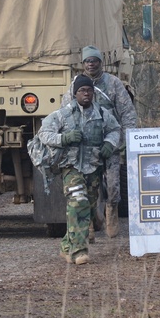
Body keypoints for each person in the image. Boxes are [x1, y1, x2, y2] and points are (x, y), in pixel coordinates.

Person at [39, 74, 121, 265]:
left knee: (89, 208)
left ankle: (66, 246)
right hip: (71, 167)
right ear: (75, 93)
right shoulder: (63, 114)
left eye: (89, 90)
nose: (86, 94)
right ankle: (79, 251)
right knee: (79, 203)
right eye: (82, 91)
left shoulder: (101, 113)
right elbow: (44, 133)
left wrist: (109, 143)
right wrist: (64, 138)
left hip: (93, 168)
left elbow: (115, 129)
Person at [62, 45, 137, 238]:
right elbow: (65, 114)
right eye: (87, 61)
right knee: (87, 187)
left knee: (112, 185)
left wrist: (126, 139)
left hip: (110, 142)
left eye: (94, 61)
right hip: (86, 146)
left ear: (100, 63)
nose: (91, 64)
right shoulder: (75, 85)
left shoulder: (113, 84)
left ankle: (111, 212)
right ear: (83, 64)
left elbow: (127, 113)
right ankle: (90, 221)